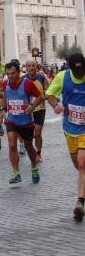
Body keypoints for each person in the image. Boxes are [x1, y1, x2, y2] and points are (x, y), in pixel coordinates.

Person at [45, 53, 85, 222]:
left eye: (81, 70)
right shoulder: (62, 77)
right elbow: (49, 94)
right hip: (69, 128)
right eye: (76, 72)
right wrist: (55, 105)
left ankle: (80, 203)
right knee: (78, 166)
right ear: (69, 67)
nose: (79, 74)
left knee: (83, 163)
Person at [0, 61, 43, 185]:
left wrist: (32, 106)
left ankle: (34, 167)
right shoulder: (5, 83)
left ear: (18, 72)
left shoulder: (28, 84)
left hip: (26, 122)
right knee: (12, 144)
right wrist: (3, 109)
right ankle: (16, 173)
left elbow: (40, 97)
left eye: (13, 73)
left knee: (29, 146)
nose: (11, 76)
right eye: (8, 74)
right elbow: (3, 96)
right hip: (11, 119)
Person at [25, 60, 49, 163]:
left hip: (40, 109)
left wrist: (44, 97)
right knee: (28, 134)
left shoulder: (42, 78)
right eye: (29, 66)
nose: (31, 68)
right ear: (26, 68)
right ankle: (28, 149)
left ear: (36, 67)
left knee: (37, 133)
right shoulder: (23, 79)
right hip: (28, 110)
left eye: (33, 65)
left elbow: (48, 92)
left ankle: (38, 153)